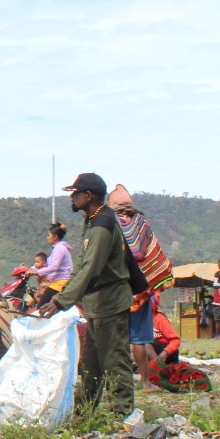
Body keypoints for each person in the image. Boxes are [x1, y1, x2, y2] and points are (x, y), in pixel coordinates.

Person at [48, 173, 135, 415]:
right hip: (97, 305)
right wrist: (61, 296)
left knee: (115, 361)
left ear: (89, 196)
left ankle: (123, 415)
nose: (72, 198)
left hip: (110, 304)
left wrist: (62, 302)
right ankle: (84, 413)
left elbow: (91, 269)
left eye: (75, 193)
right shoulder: (92, 221)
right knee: (90, 365)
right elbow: (81, 266)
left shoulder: (102, 225)